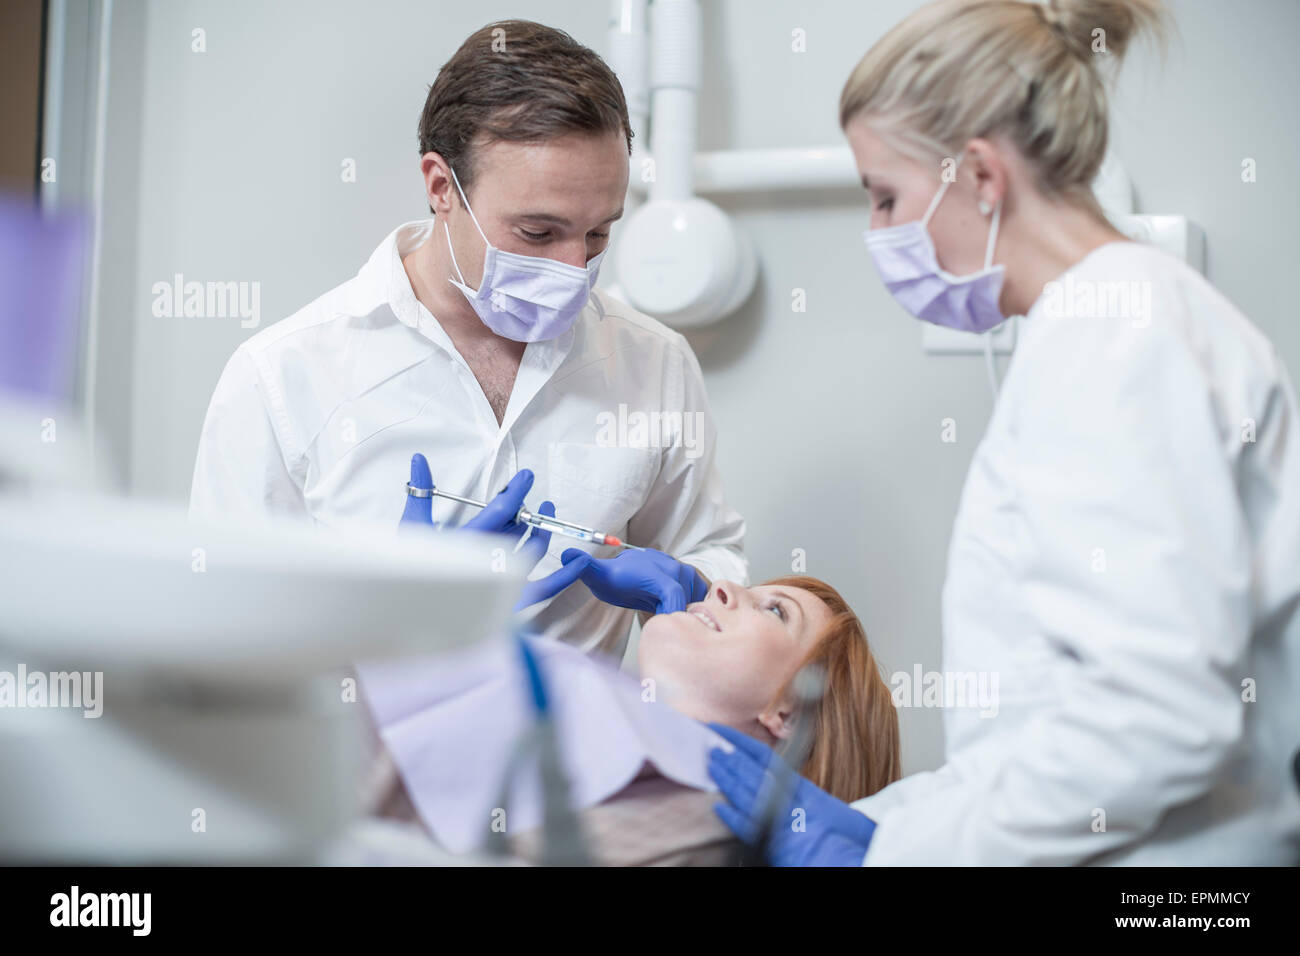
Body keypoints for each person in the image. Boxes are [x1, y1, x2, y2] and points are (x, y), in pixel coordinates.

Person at [711, 0, 1300, 865]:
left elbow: (1160, 717)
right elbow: (1027, 738)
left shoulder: (1113, 335)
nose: (877, 233)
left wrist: (887, 857)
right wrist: (882, 827)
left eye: (885, 197)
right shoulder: (1107, 322)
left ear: (982, 176)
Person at [189, 20, 746, 658]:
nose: (574, 270)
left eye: (598, 234)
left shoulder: (655, 364)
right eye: (538, 234)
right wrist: (391, 613)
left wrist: (697, 587)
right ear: (441, 187)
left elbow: (709, 548)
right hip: (362, 754)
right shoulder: (281, 378)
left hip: (579, 756)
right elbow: (219, 641)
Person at [358, 575, 900, 865]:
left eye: (774, 610)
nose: (723, 587)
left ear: (787, 711)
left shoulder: (701, 829)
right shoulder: (586, 693)